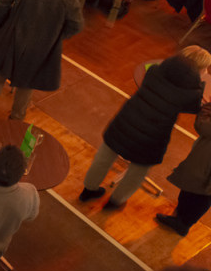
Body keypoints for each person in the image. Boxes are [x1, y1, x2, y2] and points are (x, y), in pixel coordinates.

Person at [80, 46, 208, 209]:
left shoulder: (154, 71)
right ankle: (116, 201)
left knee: (104, 157)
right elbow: (194, 108)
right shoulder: (191, 93)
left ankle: (88, 190)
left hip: (126, 121)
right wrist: (200, 86)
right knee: (138, 171)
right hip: (152, 135)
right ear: (199, 69)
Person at [157, 101, 211, 236]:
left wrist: (206, 108)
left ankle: (182, 223)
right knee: (203, 193)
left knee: (197, 191)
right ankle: (182, 220)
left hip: (205, 163)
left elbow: (204, 127)